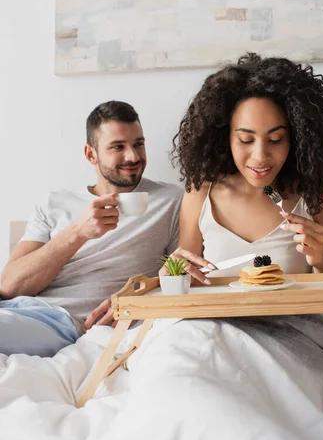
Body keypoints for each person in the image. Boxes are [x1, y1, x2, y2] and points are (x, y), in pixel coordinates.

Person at [0, 100, 203, 358]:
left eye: (138, 144)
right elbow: (9, 286)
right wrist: (77, 233)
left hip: (64, 322)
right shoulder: (52, 203)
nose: (133, 156)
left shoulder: (173, 201)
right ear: (90, 154)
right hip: (16, 308)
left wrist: (136, 299)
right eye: (118, 147)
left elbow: (183, 276)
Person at [168, 53, 323, 278]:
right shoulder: (201, 193)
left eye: (275, 140)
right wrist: (172, 273)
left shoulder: (317, 194)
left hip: (298, 313)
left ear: (297, 139)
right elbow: (185, 276)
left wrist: (321, 260)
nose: (260, 156)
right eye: (246, 140)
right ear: (225, 138)